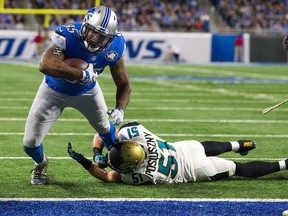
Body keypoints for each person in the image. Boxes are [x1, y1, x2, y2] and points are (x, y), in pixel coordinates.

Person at [23, 6, 131, 185]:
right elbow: (46, 65)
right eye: (92, 32)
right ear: (84, 27)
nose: (95, 38)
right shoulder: (69, 35)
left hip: (87, 92)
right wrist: (80, 75)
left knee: (105, 128)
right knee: (30, 143)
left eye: (102, 36)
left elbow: (124, 84)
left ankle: (117, 161)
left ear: (110, 38)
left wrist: (120, 108)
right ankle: (40, 163)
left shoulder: (115, 46)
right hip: (52, 91)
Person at [68, 122, 288, 185]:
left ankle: (284, 164)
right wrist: (99, 149)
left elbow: (106, 175)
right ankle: (238, 144)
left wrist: (88, 160)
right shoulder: (137, 134)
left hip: (195, 170)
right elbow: (105, 131)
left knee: (236, 169)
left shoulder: (142, 175)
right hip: (186, 148)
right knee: (201, 146)